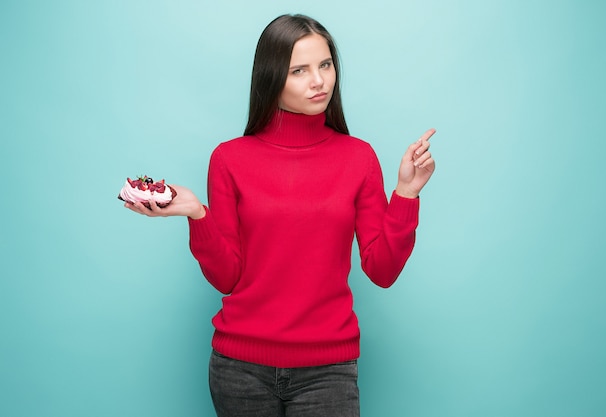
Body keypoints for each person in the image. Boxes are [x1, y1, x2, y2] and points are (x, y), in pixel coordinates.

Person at [125, 13, 436, 417]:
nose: (319, 81)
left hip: (329, 370)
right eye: (299, 70)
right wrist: (198, 215)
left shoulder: (358, 157)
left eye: (325, 65)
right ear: (272, 77)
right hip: (240, 369)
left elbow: (382, 269)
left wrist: (407, 193)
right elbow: (227, 276)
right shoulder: (229, 159)